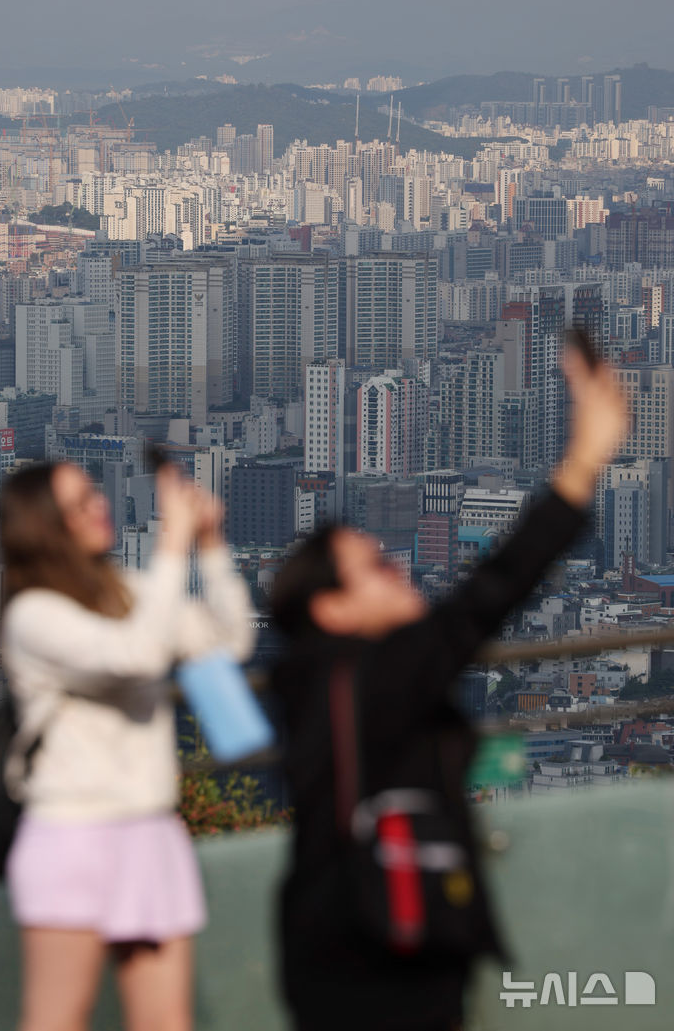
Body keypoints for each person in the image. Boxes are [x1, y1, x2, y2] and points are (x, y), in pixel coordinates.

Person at [269, 347, 627, 1031]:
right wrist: (582, 463)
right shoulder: (377, 674)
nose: (395, 563)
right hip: (384, 947)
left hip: (334, 942)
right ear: (331, 609)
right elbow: (484, 599)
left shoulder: (315, 680)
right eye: (373, 565)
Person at [0, 461, 253, 1031]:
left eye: (93, 494)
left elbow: (227, 643)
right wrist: (172, 542)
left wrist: (210, 547)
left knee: (166, 1022)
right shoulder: (32, 616)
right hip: (72, 836)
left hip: (149, 830)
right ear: (44, 527)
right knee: (56, 1019)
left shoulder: (128, 591)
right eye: (78, 504)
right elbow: (134, 654)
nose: (98, 506)